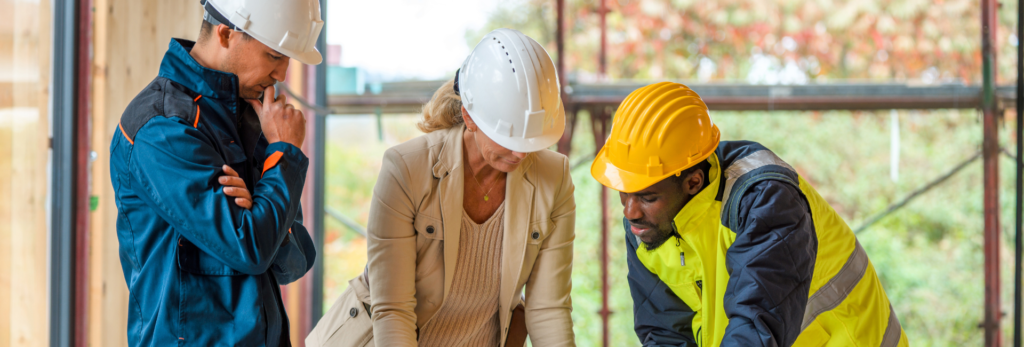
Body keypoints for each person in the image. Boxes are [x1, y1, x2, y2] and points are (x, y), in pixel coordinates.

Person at [307, 28, 576, 347]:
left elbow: (548, 309)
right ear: (469, 117)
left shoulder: (554, 177)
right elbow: (394, 310)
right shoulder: (406, 169)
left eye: (532, 141)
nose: (521, 153)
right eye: (508, 139)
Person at [590, 82, 909, 347]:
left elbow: (756, 327)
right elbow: (665, 334)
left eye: (647, 196)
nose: (630, 211)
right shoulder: (650, 224)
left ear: (693, 182)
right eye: (624, 191)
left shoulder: (765, 198)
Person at [108, 0, 323, 345]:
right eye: (274, 55)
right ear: (226, 34)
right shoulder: (162, 128)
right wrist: (285, 155)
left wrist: (260, 211)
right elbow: (252, 250)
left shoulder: (255, 121)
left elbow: (292, 263)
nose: (282, 75)